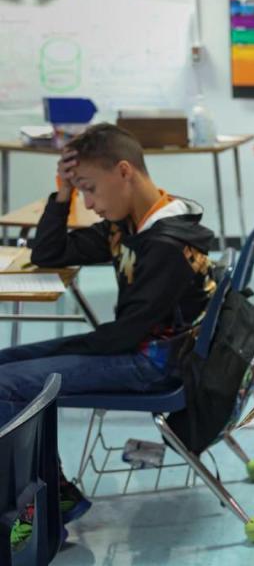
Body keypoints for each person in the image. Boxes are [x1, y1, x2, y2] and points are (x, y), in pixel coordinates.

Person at [0, 123, 216, 544]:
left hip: (152, 365)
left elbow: (118, 338)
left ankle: (35, 517)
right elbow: (48, 252)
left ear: (123, 172)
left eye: (89, 190)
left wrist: (59, 352)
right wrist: (61, 194)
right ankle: (53, 494)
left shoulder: (163, 245)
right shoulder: (133, 224)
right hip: (133, 346)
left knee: (5, 382)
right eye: (79, 192)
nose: (90, 204)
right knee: (6, 364)